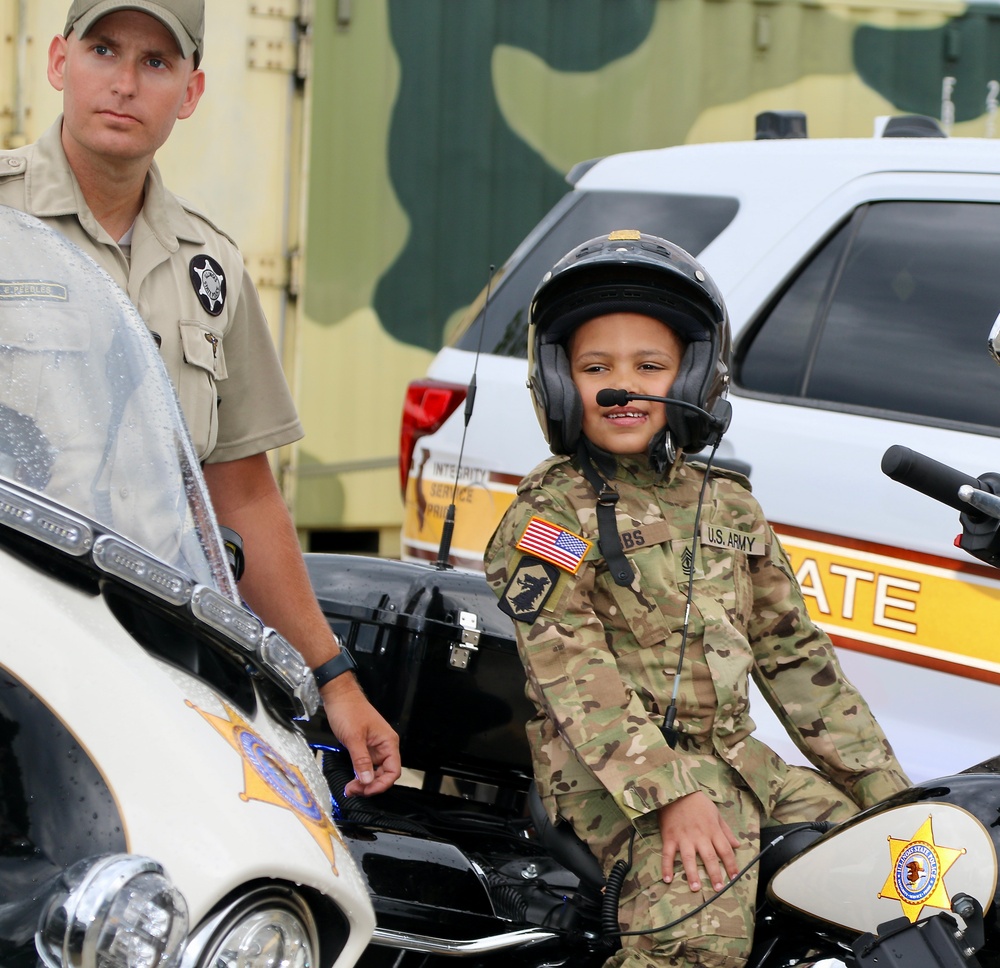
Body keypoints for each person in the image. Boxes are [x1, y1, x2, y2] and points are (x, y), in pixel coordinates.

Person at [0, 0, 400, 797]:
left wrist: (335, 680)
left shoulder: (208, 267)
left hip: (150, 654)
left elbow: (244, 494)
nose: (124, 82)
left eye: (156, 63)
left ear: (191, 91)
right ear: (57, 63)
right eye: (104, 49)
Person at [483, 230, 910, 968]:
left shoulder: (728, 504)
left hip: (739, 761)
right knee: (699, 926)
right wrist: (671, 797)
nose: (623, 386)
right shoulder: (552, 517)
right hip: (610, 780)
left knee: (899, 874)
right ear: (559, 383)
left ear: (694, 378)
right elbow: (575, 677)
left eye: (650, 366)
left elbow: (796, 659)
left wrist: (893, 798)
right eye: (596, 368)